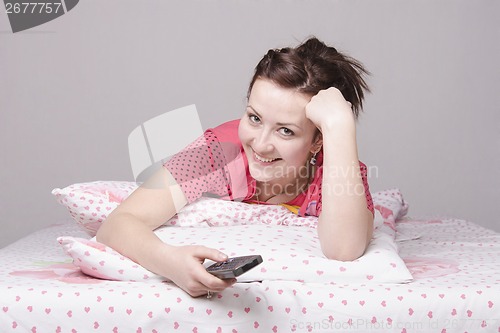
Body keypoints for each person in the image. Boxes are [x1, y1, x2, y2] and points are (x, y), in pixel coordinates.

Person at [96, 37, 374, 297]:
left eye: (286, 131)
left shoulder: (338, 163)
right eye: (254, 118)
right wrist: (170, 262)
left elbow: (343, 249)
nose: (261, 144)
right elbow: (117, 224)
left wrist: (339, 126)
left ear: (318, 141)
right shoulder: (216, 152)